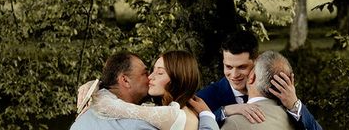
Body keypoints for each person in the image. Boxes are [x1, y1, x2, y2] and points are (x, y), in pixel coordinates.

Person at [196, 31, 322, 130]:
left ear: (257, 61)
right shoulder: (205, 97)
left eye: (242, 67)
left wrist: (295, 105)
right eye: (228, 67)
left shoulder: (278, 91)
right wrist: (224, 111)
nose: (234, 75)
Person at [73, 50, 218, 130]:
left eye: (159, 72)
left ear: (178, 78)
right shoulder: (140, 124)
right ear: (124, 80)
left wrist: (96, 89)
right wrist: (208, 116)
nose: (150, 77)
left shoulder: (84, 117)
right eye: (145, 73)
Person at [222, 51, 307, 130]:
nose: (235, 75)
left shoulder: (234, 123)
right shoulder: (297, 120)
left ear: (252, 77)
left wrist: (223, 111)